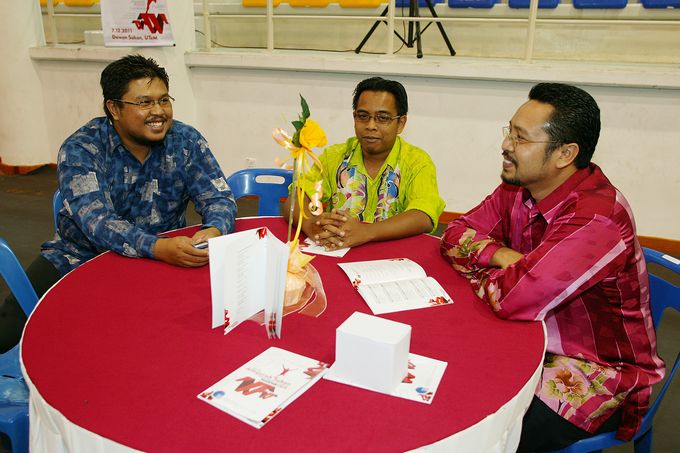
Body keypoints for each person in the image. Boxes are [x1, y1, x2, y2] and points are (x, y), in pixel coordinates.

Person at [439, 83, 664, 452]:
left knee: (482, 430)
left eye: (521, 138)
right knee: (449, 378)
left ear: (565, 154)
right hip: (530, 334)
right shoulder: (518, 188)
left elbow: (510, 300)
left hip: (595, 371)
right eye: (509, 131)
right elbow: (454, 234)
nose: (506, 145)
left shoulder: (597, 219)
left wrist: (495, 272)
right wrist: (501, 256)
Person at [0, 55, 236, 353]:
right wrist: (158, 247)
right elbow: (98, 222)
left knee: (180, 340)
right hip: (81, 258)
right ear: (114, 108)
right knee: (13, 332)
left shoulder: (186, 141)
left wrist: (214, 229)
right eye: (144, 102)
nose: (158, 111)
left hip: (164, 263)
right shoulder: (82, 149)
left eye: (164, 100)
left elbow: (218, 196)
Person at [283, 77, 445, 250]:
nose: (371, 125)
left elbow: (424, 216)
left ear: (401, 123)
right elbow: (296, 198)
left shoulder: (417, 162)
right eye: (363, 116)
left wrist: (366, 232)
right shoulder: (334, 157)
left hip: (393, 256)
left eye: (382, 118)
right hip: (340, 252)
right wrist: (311, 224)